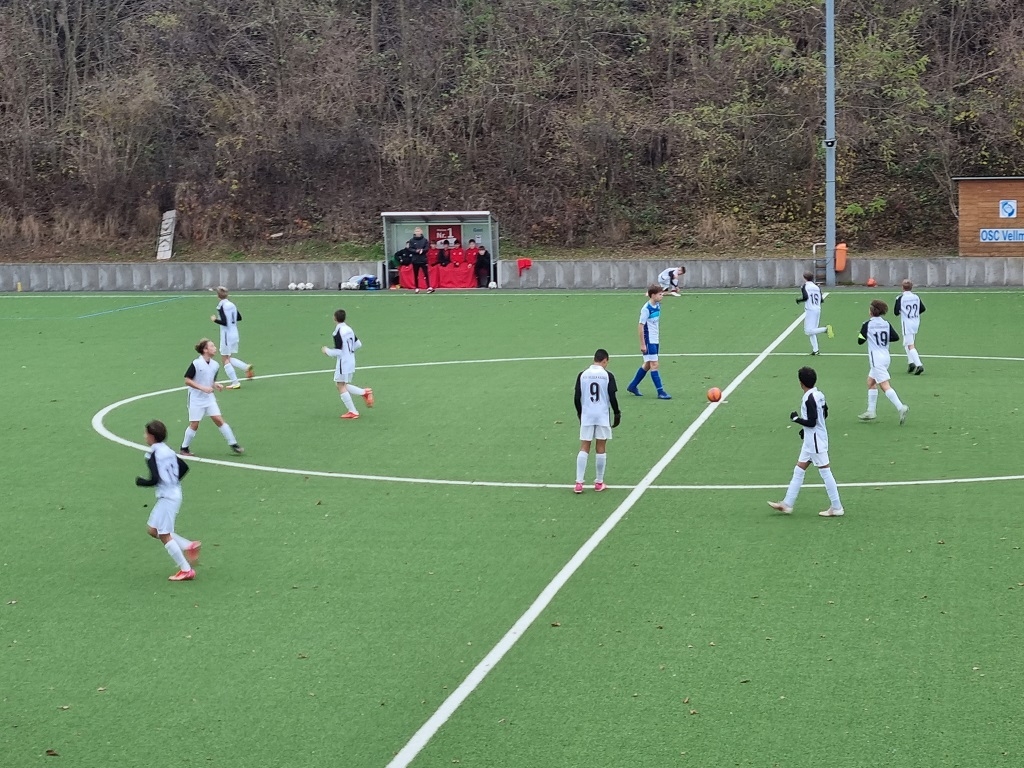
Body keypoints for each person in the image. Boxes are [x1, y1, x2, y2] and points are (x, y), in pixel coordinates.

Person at [767, 367, 845, 517]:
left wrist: (797, 419)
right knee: (799, 469)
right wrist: (806, 430)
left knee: (825, 471)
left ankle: (837, 507)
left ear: (801, 383)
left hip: (815, 441)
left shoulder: (808, 398)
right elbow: (824, 413)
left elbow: (812, 421)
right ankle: (787, 504)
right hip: (811, 440)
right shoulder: (819, 394)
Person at [136, 419, 201, 581]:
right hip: (174, 494)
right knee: (153, 530)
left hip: (167, 498)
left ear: (151, 436)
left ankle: (186, 570)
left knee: (164, 534)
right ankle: (188, 546)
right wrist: (172, 482)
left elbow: (155, 479)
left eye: (146, 433)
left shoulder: (152, 455)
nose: (144, 436)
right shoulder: (168, 450)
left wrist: (141, 482)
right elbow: (184, 467)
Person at [180, 338, 245, 455]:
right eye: (212, 346)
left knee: (219, 420)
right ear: (205, 350)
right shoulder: (196, 363)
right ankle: (184, 448)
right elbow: (187, 380)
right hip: (196, 399)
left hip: (209, 398)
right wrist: (202, 388)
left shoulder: (215, 365)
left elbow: (210, 380)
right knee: (194, 424)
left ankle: (233, 444)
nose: (215, 348)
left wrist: (215, 385)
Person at [573, 348, 621, 493]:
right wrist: (617, 413)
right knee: (601, 447)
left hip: (587, 415)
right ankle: (599, 482)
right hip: (602, 416)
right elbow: (612, 396)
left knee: (584, 446)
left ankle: (579, 483)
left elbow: (577, 397)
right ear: (605, 360)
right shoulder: (607, 375)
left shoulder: (582, 375)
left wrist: (580, 413)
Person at [857, 299, 909, 424]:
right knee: (870, 382)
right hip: (886, 356)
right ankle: (871, 411)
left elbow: (860, 340)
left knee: (884, 385)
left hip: (876, 359)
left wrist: (867, 336)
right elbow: (895, 337)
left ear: (871, 311)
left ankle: (900, 407)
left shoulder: (867, 325)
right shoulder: (886, 324)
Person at [321, 308, 374, 419]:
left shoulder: (337, 332)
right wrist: (349, 351)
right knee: (342, 384)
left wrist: (327, 351)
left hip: (343, 362)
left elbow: (339, 351)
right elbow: (358, 344)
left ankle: (353, 411)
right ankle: (364, 392)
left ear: (334, 318)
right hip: (351, 360)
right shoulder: (349, 329)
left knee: (340, 385)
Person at [626, 285, 671, 399]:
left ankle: (632, 386)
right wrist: (642, 344)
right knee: (654, 364)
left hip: (655, 339)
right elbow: (640, 326)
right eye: (660, 294)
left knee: (647, 364)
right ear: (653, 295)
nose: (662, 296)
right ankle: (660, 391)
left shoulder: (657, 305)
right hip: (649, 340)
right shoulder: (646, 309)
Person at [210, 286, 253, 389]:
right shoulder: (232, 304)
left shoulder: (221, 306)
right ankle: (245, 367)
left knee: (225, 359)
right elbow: (239, 317)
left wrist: (215, 320)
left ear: (218, 296)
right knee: (228, 357)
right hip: (235, 333)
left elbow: (224, 322)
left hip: (226, 335)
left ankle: (235, 382)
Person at [796, 272, 834, 355]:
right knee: (813, 330)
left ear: (804, 278)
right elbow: (821, 300)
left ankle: (825, 329)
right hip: (817, 309)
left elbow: (805, 297)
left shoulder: (805, 286)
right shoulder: (817, 287)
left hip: (810, 310)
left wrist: (798, 300)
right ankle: (815, 350)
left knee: (808, 331)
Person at [895, 279, 926, 375]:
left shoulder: (900, 298)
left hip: (907, 323)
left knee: (910, 345)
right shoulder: (916, 297)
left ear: (902, 287)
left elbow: (896, 312)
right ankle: (911, 363)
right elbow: (922, 309)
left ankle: (919, 365)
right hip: (915, 322)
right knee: (906, 343)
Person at [408, 227, 433, 293]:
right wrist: (416, 251)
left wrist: (422, 250)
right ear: (414, 232)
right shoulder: (411, 240)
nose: (417, 232)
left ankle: (428, 287)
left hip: (423, 260)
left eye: (419, 231)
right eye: (416, 231)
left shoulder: (425, 240)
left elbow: (427, 248)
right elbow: (410, 249)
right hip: (415, 260)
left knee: (426, 274)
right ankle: (416, 288)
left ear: (421, 232)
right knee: (416, 274)